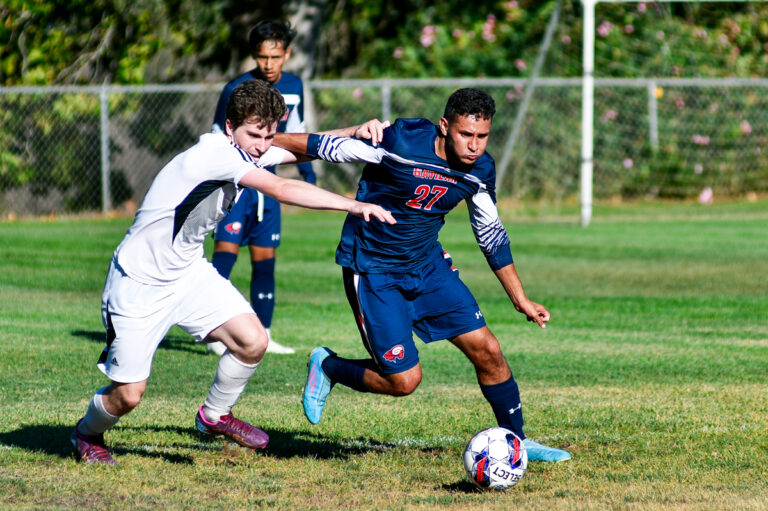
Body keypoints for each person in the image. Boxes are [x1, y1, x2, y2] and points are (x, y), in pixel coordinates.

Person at [70, 79, 395, 465]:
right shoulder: (215, 155)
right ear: (229, 127)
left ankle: (213, 416)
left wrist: (353, 132)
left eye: (268, 135)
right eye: (254, 135)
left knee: (252, 340)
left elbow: (299, 146)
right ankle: (86, 434)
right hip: (139, 282)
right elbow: (281, 189)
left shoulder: (247, 148)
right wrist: (353, 206)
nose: (262, 144)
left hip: (188, 273)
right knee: (128, 395)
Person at [274, 88, 571, 462]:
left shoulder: (480, 171)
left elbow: (491, 234)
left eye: (482, 136)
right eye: (466, 134)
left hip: (428, 267)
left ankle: (517, 441)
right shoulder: (399, 142)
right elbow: (321, 146)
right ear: (445, 127)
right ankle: (328, 366)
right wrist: (263, 140)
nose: (474, 145)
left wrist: (520, 298)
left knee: (489, 350)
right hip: (374, 269)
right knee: (404, 381)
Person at [208, 20, 314, 356]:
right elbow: (217, 131)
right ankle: (212, 334)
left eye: (275, 56)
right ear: (254, 55)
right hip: (238, 186)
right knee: (223, 260)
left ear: (287, 54)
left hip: (268, 187)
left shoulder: (295, 85)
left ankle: (264, 335)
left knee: (265, 262)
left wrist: (307, 169)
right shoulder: (237, 87)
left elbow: (297, 130)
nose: (268, 64)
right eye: (262, 57)